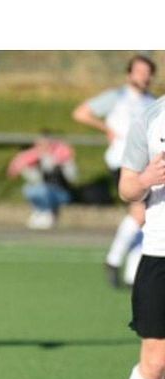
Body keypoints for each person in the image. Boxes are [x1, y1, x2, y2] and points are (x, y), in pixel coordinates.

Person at [73, 54, 157, 288]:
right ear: (129, 74)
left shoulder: (153, 102)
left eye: (147, 72)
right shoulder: (117, 97)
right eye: (139, 71)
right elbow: (81, 113)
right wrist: (106, 128)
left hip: (147, 165)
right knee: (140, 213)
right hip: (123, 162)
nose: (143, 76)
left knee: (146, 216)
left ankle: (132, 272)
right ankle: (113, 259)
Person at [118, 93, 165, 379]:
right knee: (156, 360)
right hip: (160, 256)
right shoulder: (151, 118)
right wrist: (146, 180)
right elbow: (126, 188)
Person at [6, 132, 77, 230]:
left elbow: (72, 178)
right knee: (29, 188)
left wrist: (58, 166)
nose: (41, 147)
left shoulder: (61, 155)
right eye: (39, 144)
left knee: (42, 189)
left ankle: (48, 213)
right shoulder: (34, 157)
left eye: (45, 144)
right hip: (43, 188)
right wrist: (28, 170)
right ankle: (39, 211)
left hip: (61, 192)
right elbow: (34, 178)